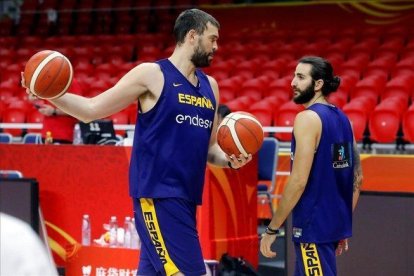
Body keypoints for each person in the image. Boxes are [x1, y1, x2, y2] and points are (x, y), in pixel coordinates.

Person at [22, 9, 252, 276]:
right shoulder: (151, 74)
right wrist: (49, 93)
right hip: (158, 195)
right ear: (192, 36)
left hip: (188, 198)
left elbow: (210, 148)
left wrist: (230, 161)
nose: (216, 46)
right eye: (212, 39)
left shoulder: (210, 86)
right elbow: (91, 109)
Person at [260, 56, 363, 275]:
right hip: (331, 228)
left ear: (318, 84)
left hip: (312, 228)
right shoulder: (344, 119)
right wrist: (341, 225)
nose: (292, 83)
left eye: (300, 77)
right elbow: (357, 179)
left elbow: (298, 182)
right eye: (293, 76)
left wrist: (272, 229)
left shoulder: (307, 119)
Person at [28, 78, 83, 144]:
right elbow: (35, 99)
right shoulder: (48, 81)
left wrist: (54, 111)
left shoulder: (71, 82)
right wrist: (33, 98)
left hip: (63, 134)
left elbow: (78, 109)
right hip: (47, 132)